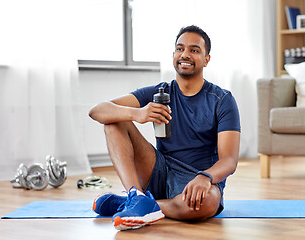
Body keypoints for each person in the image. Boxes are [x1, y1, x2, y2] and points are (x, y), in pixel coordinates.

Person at [89, 25, 241, 231]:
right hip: (159, 170)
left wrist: (206, 177)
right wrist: (138, 114)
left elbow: (229, 161)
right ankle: (137, 196)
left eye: (194, 50)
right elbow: (98, 110)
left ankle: (140, 204)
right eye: (180, 49)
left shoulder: (222, 99)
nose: (185, 54)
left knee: (209, 203)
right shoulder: (159, 92)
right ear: (174, 55)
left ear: (206, 59)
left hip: (196, 179)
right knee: (114, 119)